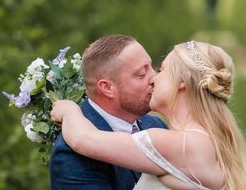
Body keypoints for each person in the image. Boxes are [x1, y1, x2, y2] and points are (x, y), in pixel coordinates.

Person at [51, 40, 246, 190]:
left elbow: (82, 139)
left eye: (161, 69)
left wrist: (69, 109)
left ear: (182, 82)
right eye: (142, 73)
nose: (154, 78)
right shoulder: (200, 140)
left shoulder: (174, 142)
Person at [49, 34, 167, 190]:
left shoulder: (156, 125)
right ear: (107, 88)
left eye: (152, 67)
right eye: (141, 74)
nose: (154, 78)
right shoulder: (70, 154)